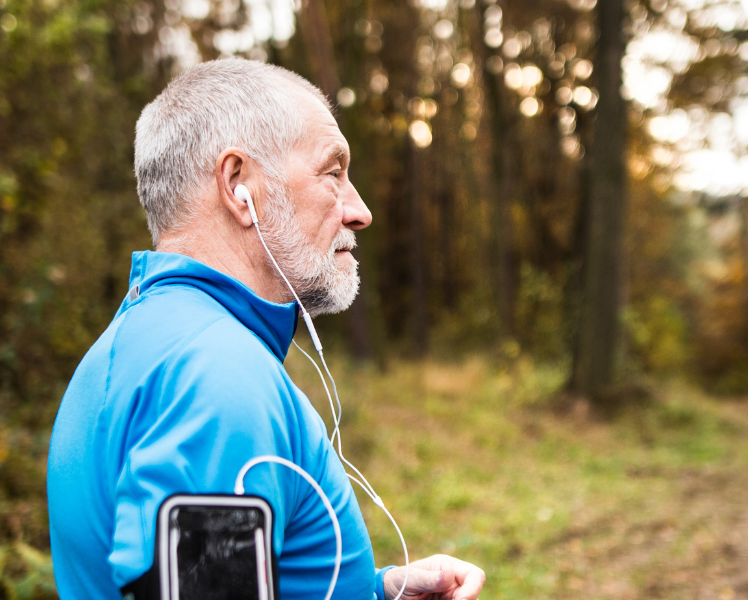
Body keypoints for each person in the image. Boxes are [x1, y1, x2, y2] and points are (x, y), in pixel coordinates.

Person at [46, 58, 485, 600]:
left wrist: (374, 591)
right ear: (239, 186)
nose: (360, 210)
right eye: (333, 173)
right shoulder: (217, 376)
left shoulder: (141, 342)